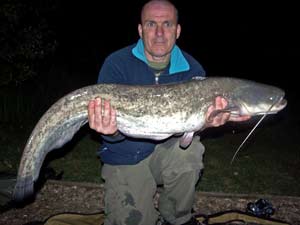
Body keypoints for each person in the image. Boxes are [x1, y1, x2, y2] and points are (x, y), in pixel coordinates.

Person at [88, 1, 250, 224]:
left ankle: (176, 217)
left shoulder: (193, 70)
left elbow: (190, 129)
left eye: (167, 24)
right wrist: (109, 131)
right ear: (140, 29)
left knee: (190, 151)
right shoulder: (117, 64)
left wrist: (209, 122)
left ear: (178, 30)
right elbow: (110, 134)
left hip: (168, 152)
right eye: (151, 24)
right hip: (126, 155)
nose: (160, 33)